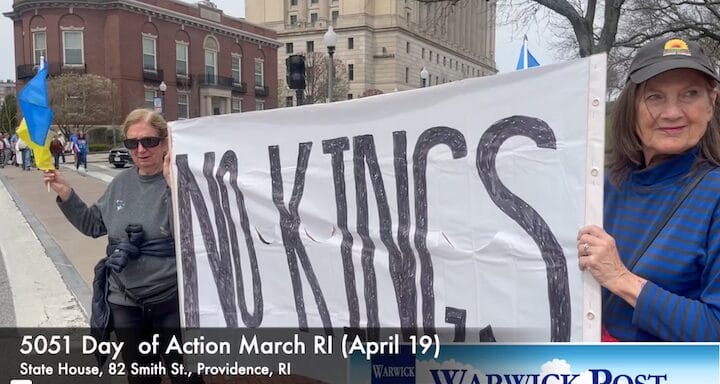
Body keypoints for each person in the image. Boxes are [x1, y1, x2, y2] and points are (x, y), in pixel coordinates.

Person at [43, 109, 203, 383]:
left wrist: (173, 183)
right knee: (140, 378)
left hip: (172, 302)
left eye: (149, 141)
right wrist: (66, 193)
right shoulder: (121, 184)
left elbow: (191, 234)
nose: (140, 149)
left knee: (185, 377)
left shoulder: (182, 182)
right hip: (126, 302)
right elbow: (93, 225)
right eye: (132, 143)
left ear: (165, 142)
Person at [577, 37, 720, 341]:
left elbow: (715, 329)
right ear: (633, 107)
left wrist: (620, 278)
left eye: (689, 95)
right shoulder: (603, 186)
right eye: (655, 97)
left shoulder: (715, 195)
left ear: (711, 104)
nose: (671, 113)